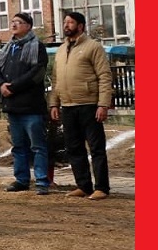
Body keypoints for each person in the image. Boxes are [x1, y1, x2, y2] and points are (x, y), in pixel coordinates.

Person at [48, 11, 114, 201]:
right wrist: (54, 103)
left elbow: (104, 76)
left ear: (81, 26)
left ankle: (102, 187)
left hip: (89, 105)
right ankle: (83, 185)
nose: (66, 25)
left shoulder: (93, 47)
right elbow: (56, 79)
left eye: (70, 22)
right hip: (68, 106)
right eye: (65, 22)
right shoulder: (61, 50)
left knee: (96, 148)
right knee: (74, 148)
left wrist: (102, 104)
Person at [0, 12, 51, 195]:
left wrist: (13, 87)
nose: (14, 25)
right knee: (18, 146)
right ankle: (21, 179)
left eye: (19, 22)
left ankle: (41, 181)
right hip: (12, 105)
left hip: (31, 106)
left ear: (28, 26)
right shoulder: (9, 48)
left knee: (37, 146)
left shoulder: (37, 46)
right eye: (13, 22)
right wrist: (1, 85)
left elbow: (37, 73)